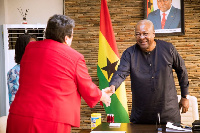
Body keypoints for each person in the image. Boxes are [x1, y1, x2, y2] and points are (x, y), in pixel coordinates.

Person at [6, 14, 113, 133]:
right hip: (50, 121)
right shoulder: (75, 57)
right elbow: (87, 87)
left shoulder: (30, 48)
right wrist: (102, 95)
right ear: (67, 38)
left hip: (18, 117)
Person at [108, 19, 189, 124]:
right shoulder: (129, 53)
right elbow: (121, 73)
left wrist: (184, 96)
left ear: (153, 34)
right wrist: (113, 86)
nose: (142, 38)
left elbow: (182, 71)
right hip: (141, 115)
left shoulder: (168, 49)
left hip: (168, 112)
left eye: (145, 34)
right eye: (138, 34)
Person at [7, 33, 37, 105]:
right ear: (22, 49)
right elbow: (14, 101)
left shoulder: (39, 69)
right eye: (31, 46)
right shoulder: (14, 72)